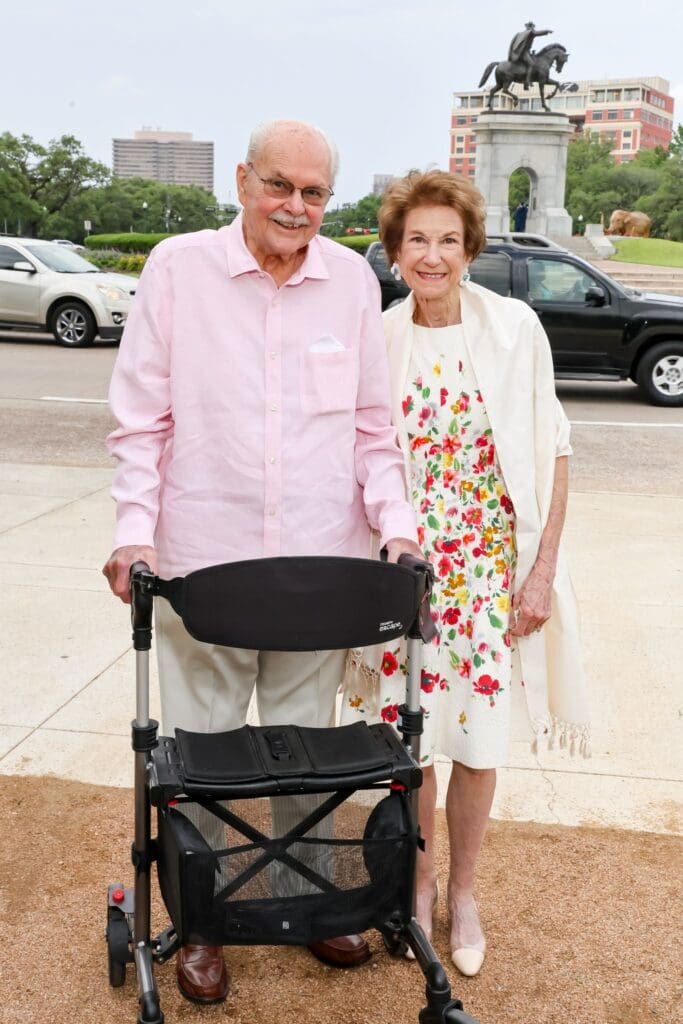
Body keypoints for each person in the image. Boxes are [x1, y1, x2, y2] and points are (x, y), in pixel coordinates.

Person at [102, 119, 421, 1005]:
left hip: (320, 573)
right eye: (279, 184)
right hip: (203, 566)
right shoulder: (177, 270)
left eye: (313, 192)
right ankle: (203, 924)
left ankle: (311, 906)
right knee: (201, 757)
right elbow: (140, 422)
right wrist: (134, 532)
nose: (295, 205)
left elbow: (370, 428)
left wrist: (396, 526)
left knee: (307, 752)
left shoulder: (351, 280)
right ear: (242, 181)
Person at [342, 170, 589, 978]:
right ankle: (414, 891)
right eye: (417, 239)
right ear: (394, 250)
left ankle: (465, 893)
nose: (433, 255)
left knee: (478, 746)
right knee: (409, 744)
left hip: (487, 570)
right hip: (405, 575)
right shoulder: (378, 337)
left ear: (470, 247)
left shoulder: (515, 328)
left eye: (448, 239)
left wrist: (541, 572)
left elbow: (553, 451)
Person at [508, 21, 551, 88]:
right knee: (531, 64)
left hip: (520, 52)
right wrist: (547, 31)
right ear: (531, 27)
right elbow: (537, 33)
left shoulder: (520, 34)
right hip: (524, 52)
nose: (533, 28)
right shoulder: (529, 32)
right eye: (533, 27)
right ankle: (527, 81)